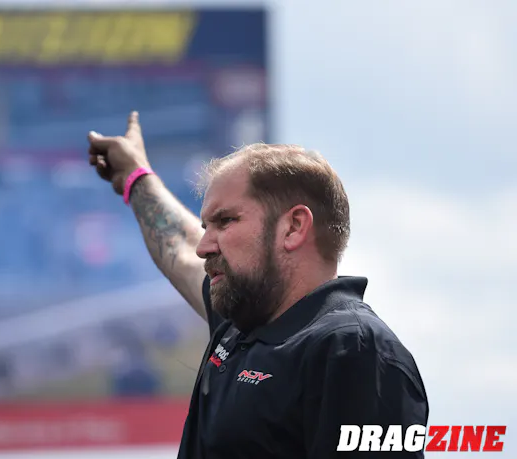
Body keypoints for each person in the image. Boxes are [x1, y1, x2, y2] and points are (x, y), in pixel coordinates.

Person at [87, 112, 429, 458]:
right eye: (206, 227)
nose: (204, 246)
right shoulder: (242, 326)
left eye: (225, 221)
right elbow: (181, 246)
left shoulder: (354, 350)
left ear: (293, 227)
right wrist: (134, 176)